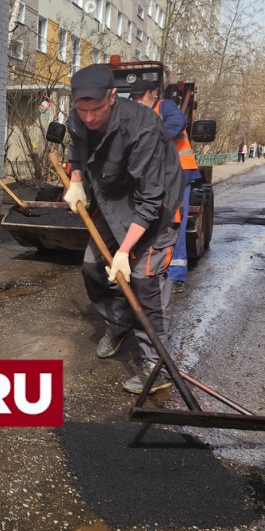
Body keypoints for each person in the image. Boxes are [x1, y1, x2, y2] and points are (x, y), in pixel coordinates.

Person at [62, 64, 185, 396]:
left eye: (96, 109)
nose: (88, 117)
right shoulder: (79, 117)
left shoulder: (143, 128)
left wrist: (124, 251)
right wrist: (76, 182)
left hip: (154, 207)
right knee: (91, 267)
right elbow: (77, 149)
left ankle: (158, 367)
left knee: (144, 283)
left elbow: (150, 199)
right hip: (112, 199)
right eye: (82, 109)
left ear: (113, 97)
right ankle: (119, 323)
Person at [129, 79, 202, 294]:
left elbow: (177, 122)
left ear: (153, 94)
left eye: (140, 96)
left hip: (178, 172)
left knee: (173, 222)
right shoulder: (136, 116)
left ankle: (176, 275)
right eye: (134, 97)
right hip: (157, 175)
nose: (137, 101)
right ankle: (149, 265)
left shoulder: (165, 107)